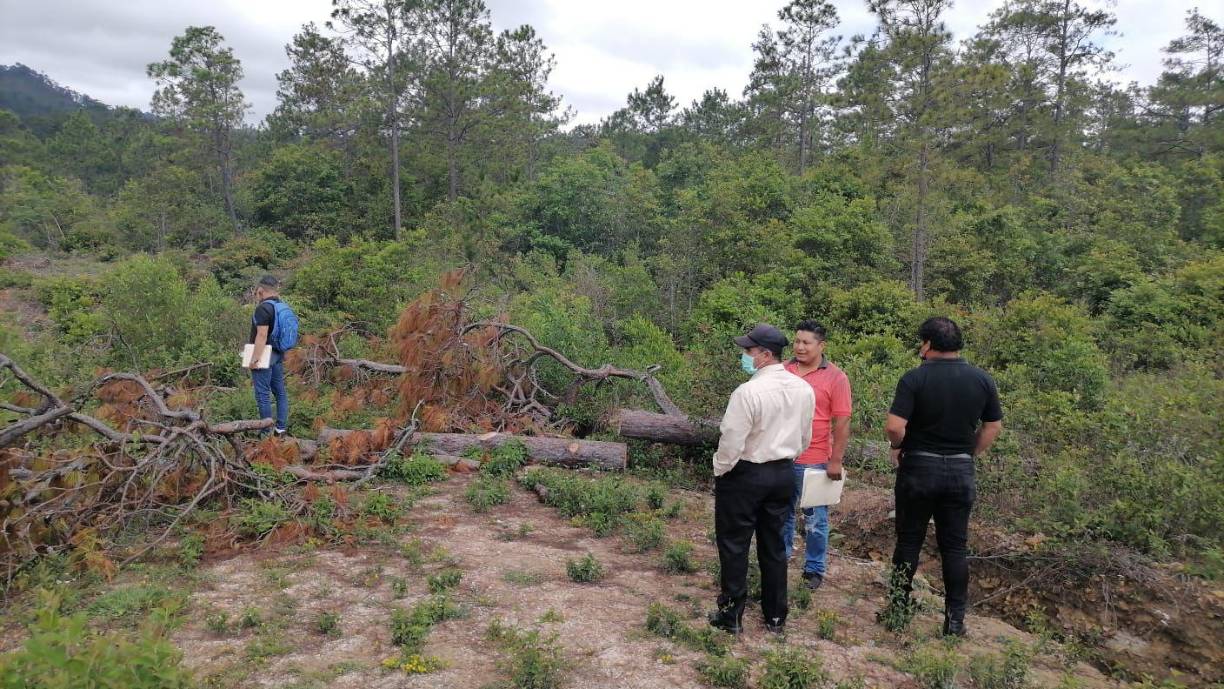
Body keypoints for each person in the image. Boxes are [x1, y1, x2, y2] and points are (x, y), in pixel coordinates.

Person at [882, 317, 1003, 637]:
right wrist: (969, 453)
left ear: (927, 344)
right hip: (960, 472)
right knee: (955, 547)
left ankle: (897, 610)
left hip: (919, 469)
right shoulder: (982, 379)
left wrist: (898, 447)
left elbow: (895, 426)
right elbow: (993, 426)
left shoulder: (914, 378)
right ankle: (955, 621)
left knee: (909, 541)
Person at [709, 324, 815, 635]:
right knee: (773, 545)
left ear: (765, 355)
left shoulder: (748, 392)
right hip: (783, 472)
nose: (745, 356)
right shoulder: (803, 389)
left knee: (734, 544)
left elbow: (731, 438)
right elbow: (805, 437)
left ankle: (731, 616)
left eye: (749, 351)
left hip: (745, 473)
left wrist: (721, 468)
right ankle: (776, 616)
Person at [782, 320, 851, 591]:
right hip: (781, 454)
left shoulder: (836, 377)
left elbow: (842, 422)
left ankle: (813, 569)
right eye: (796, 341)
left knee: (815, 518)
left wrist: (836, 459)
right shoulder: (784, 371)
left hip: (815, 457)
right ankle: (781, 556)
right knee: (780, 512)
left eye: (806, 342)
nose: (799, 347)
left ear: (821, 345)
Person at [248, 275, 292, 436]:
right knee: (279, 392)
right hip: (278, 353)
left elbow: (261, 335)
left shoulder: (263, 308)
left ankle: (265, 433)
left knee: (262, 394)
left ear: (260, 290)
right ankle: (280, 429)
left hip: (264, 354)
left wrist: (254, 359)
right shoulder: (281, 305)